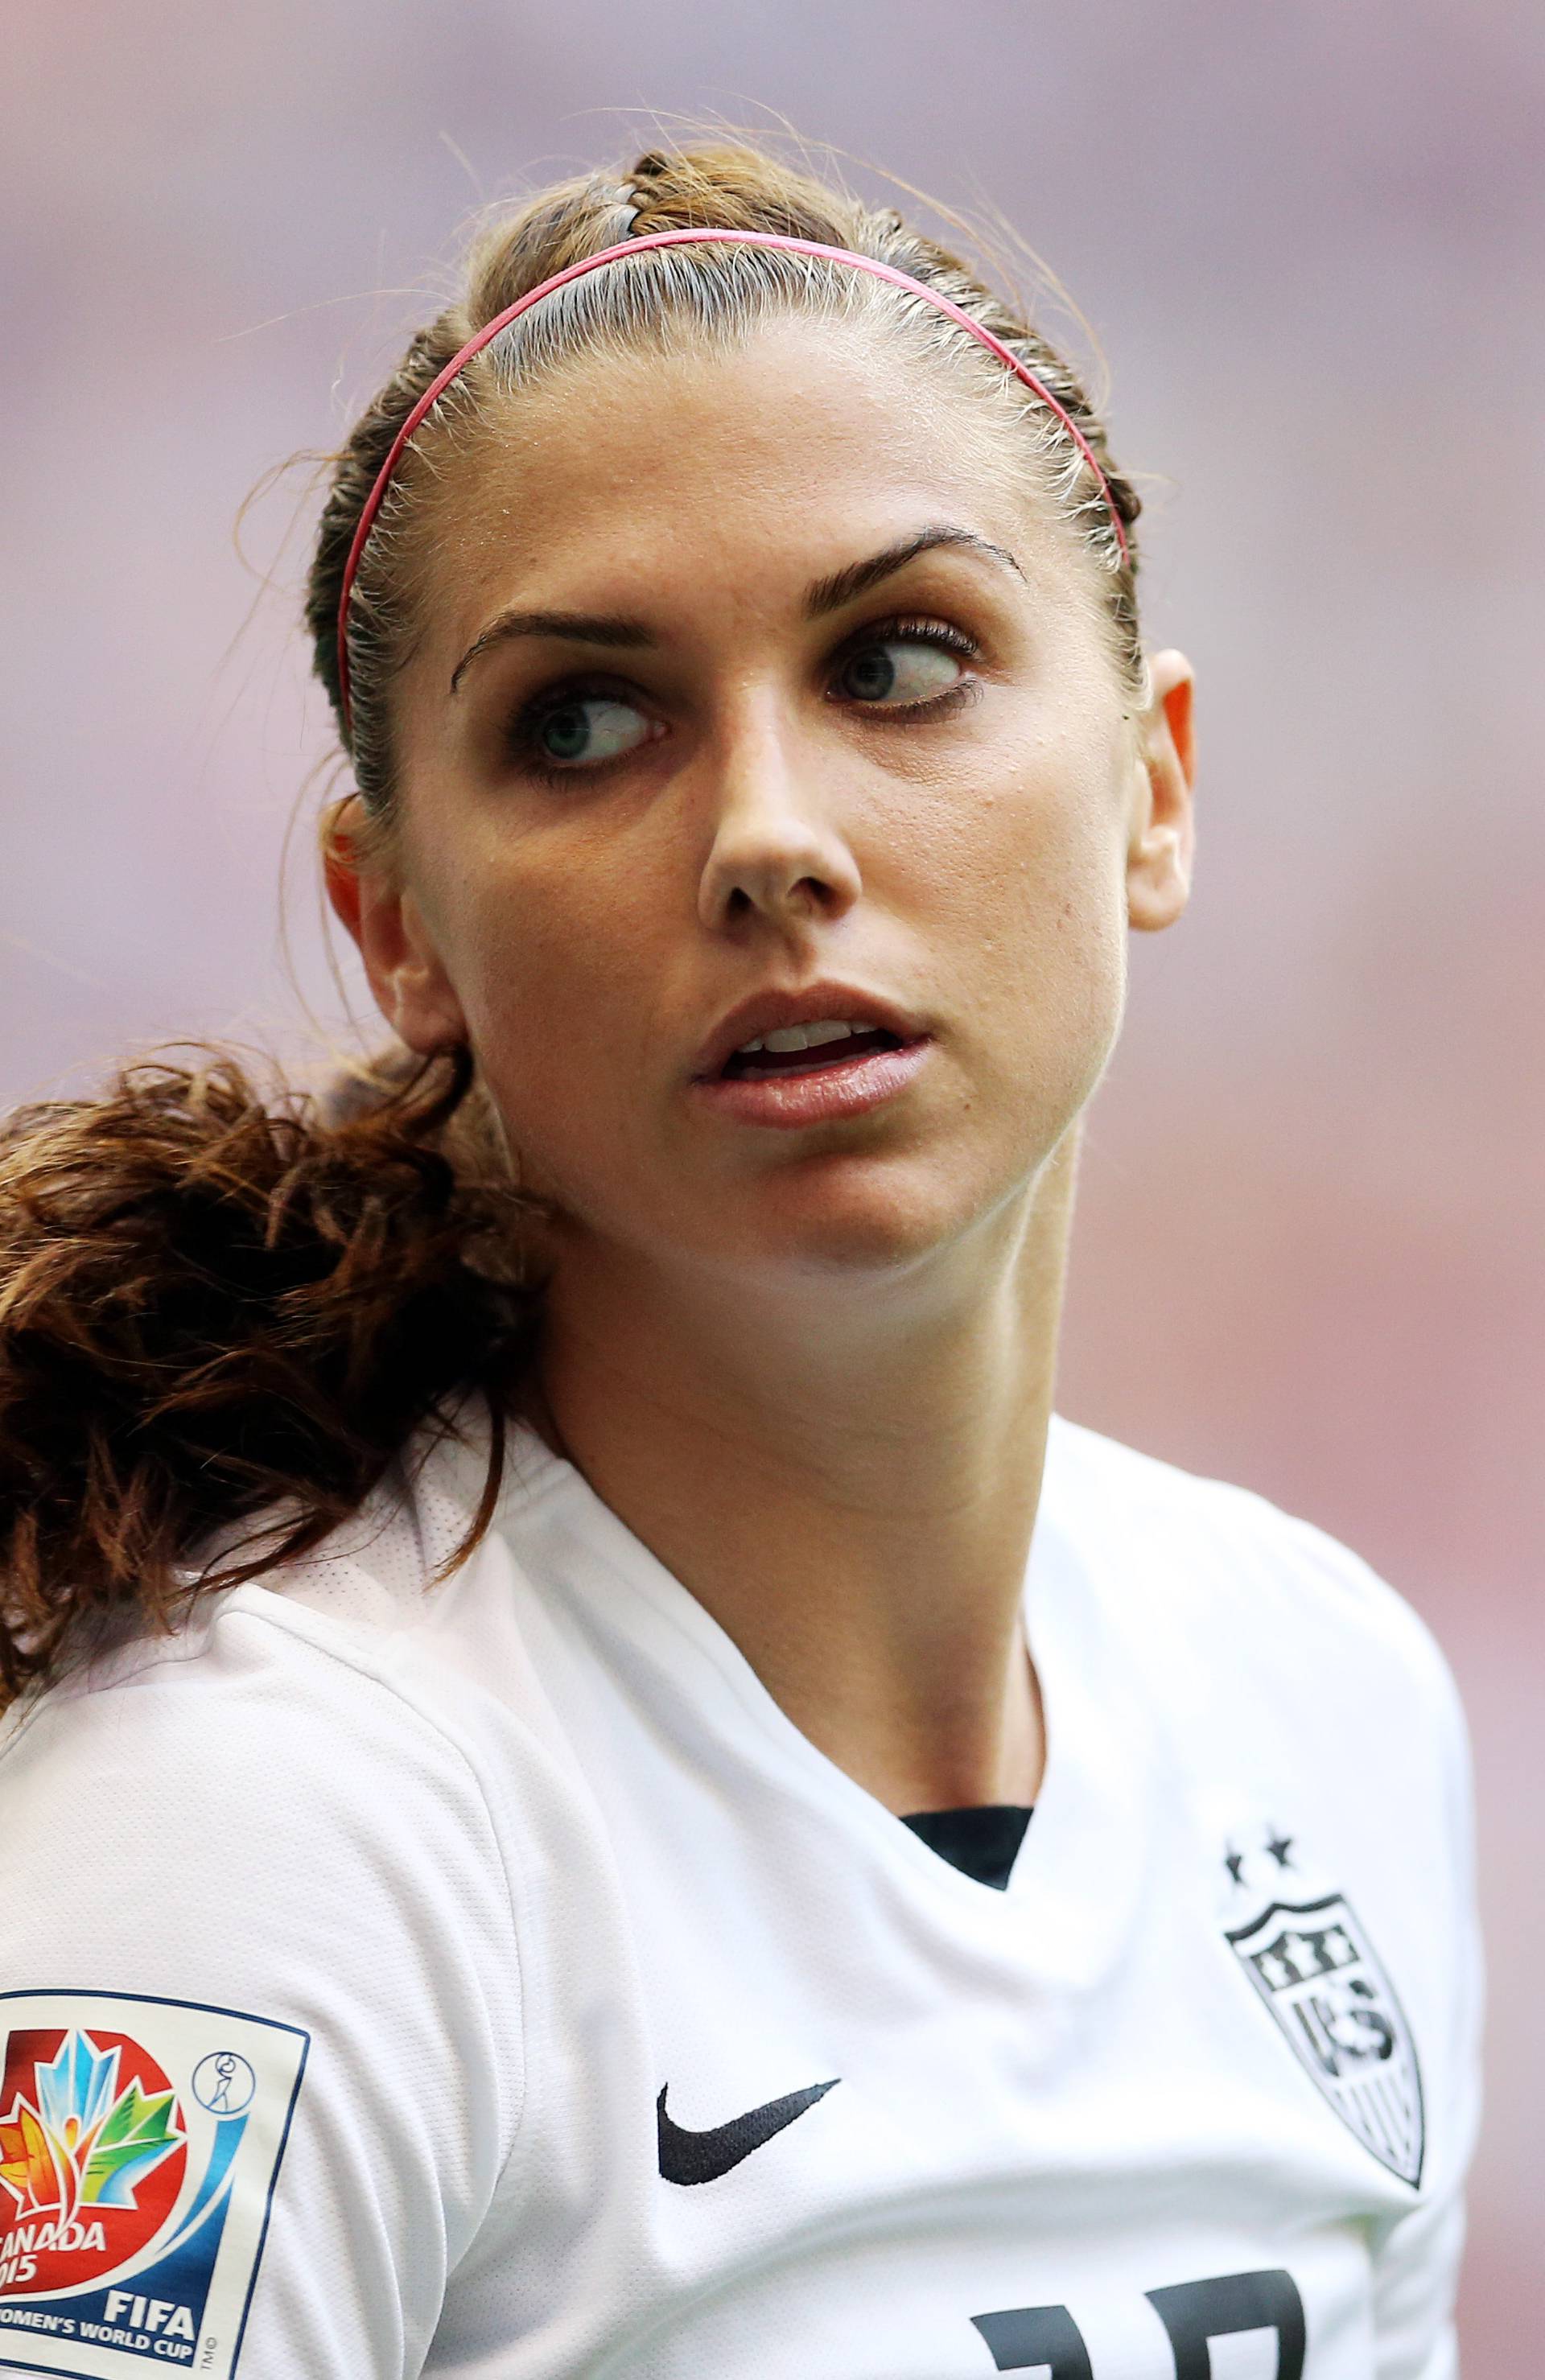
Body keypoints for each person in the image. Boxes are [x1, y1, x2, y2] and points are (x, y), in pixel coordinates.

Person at [0, 140, 1479, 2380]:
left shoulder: (1326, 1696)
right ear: (396, 924)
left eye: (899, 660)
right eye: (583, 723)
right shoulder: (254, 1841)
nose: (772, 838)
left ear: (1154, 788)